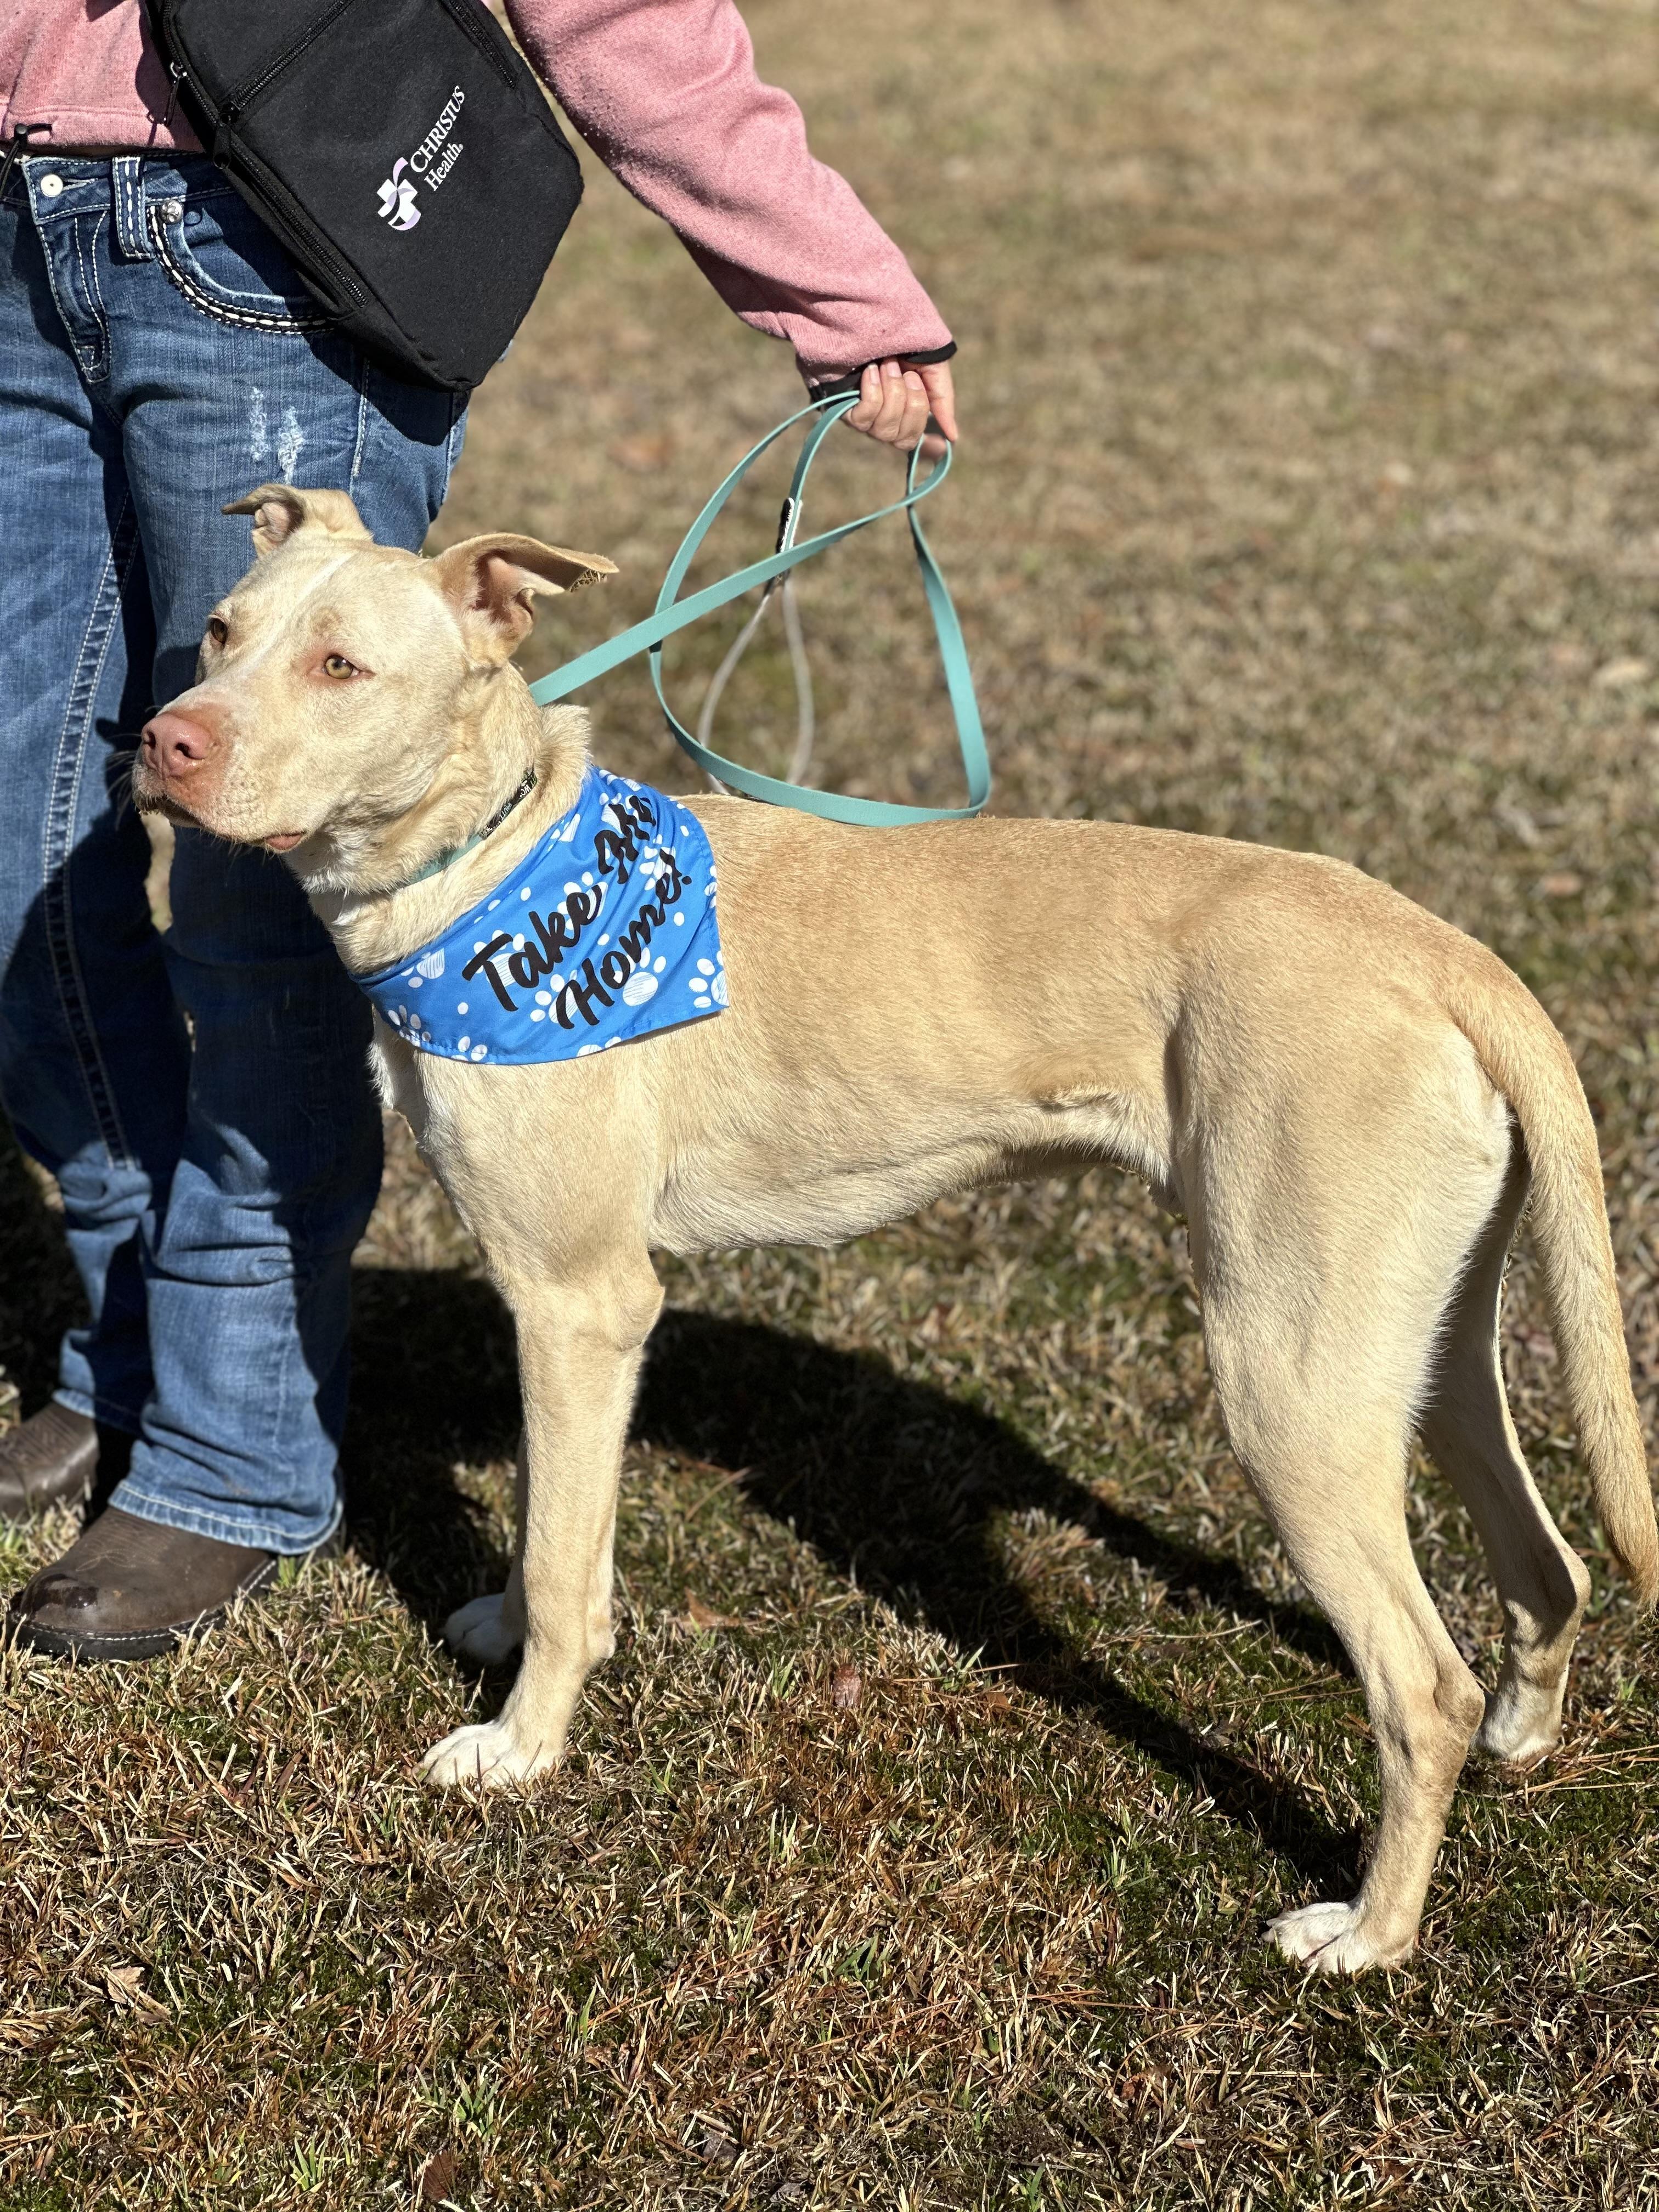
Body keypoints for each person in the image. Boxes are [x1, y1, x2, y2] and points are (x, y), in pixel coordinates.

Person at [0, 0, 957, 1658]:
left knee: (263, 917)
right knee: (18, 868)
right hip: (13, 247)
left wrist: (834, 289)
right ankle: (139, 1336)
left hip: (264, 241)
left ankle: (231, 1451)